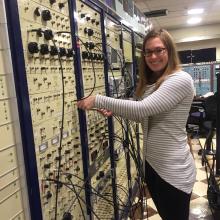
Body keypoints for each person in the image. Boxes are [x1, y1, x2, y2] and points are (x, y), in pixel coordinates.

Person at [77, 29, 196, 220]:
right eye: (148, 52)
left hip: (173, 171)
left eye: (159, 50)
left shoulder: (180, 79)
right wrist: (115, 110)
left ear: (170, 51)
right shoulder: (154, 83)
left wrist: (98, 100)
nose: (153, 56)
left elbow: (142, 109)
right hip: (153, 166)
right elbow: (145, 116)